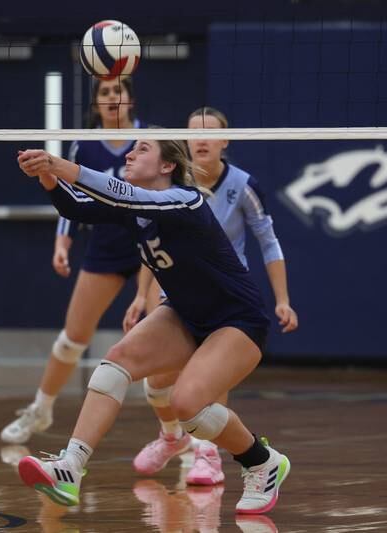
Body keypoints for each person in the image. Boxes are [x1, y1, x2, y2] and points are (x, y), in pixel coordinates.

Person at [15, 137, 291, 515]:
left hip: (237, 319)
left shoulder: (186, 200)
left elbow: (119, 196)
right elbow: (75, 206)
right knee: (116, 362)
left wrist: (58, 164)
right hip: (186, 313)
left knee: (187, 405)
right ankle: (70, 468)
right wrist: (46, 174)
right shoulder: (133, 209)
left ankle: (262, 462)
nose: (128, 153)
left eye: (142, 149)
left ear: (167, 166)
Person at [124, 106, 298, 485]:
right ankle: (171, 437)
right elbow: (150, 242)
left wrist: (282, 298)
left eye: (209, 131)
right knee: (158, 382)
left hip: (222, 295)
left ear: (225, 140)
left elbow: (269, 242)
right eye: (192, 132)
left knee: (207, 379)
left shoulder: (244, 186)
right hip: (172, 289)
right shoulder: (168, 186)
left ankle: (208, 455)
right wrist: (140, 295)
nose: (200, 138)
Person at [0, 77, 160, 444]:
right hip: (104, 246)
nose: (111, 97)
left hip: (149, 248)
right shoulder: (84, 146)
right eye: (104, 92)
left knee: (165, 337)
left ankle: (182, 432)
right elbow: (70, 196)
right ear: (96, 103)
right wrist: (62, 242)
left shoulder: (151, 140)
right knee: (73, 339)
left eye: (118, 90)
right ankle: (40, 410)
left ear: (131, 99)